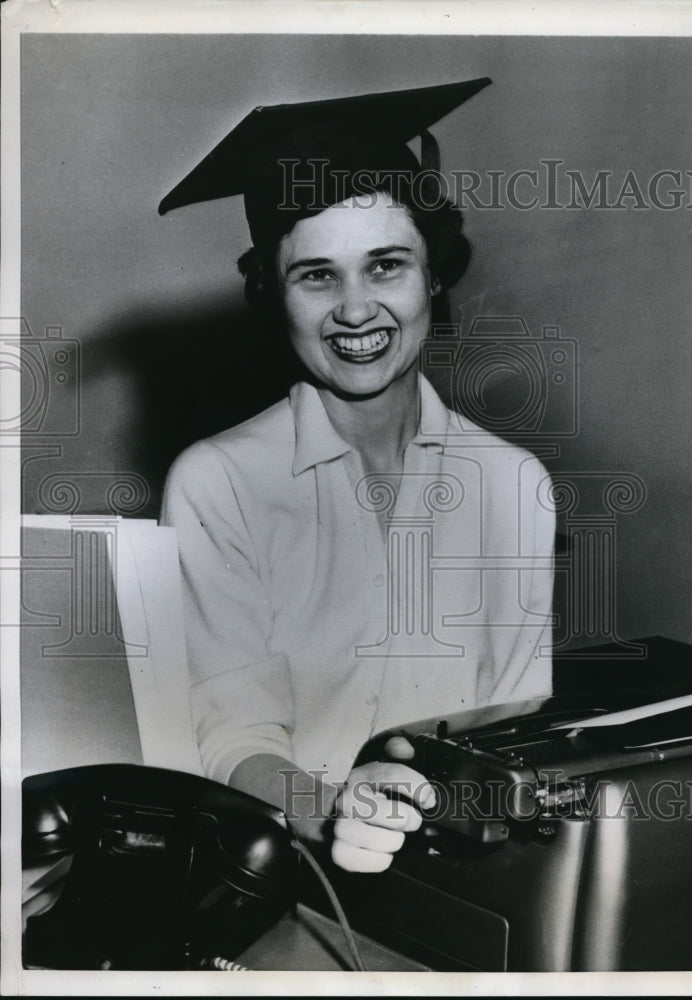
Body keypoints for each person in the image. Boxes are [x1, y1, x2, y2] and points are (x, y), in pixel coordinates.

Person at [159, 78, 555, 873]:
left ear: (433, 276)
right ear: (274, 294)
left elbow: (516, 724)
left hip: (471, 878)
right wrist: (330, 809)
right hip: (281, 875)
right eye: (316, 276)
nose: (354, 308)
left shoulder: (514, 485)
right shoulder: (217, 483)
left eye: (385, 266)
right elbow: (231, 734)